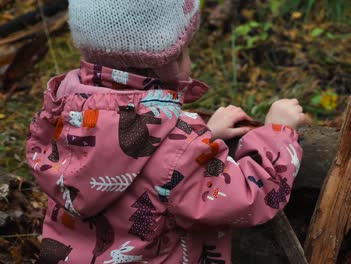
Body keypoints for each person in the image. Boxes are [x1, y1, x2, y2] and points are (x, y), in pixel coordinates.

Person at [25, 0, 305, 263]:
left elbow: (132, 157)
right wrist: (278, 132)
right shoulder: (176, 152)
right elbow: (251, 196)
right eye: (186, 51)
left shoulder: (62, 117)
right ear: (168, 62)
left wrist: (202, 137)